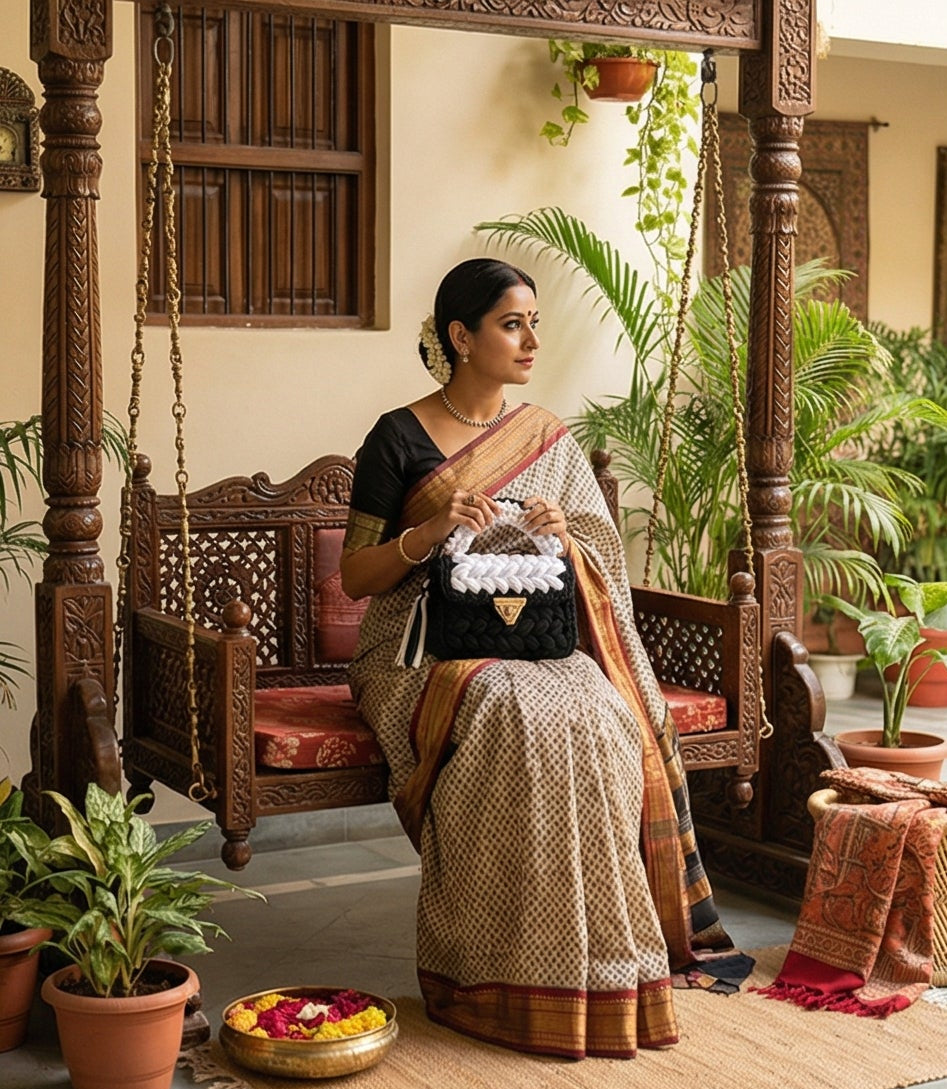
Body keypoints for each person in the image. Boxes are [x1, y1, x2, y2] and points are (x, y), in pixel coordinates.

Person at [340, 257, 734, 1060]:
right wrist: (429, 531)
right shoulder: (398, 435)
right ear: (460, 336)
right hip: (420, 643)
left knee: (598, 711)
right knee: (508, 712)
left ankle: (602, 966)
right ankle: (492, 971)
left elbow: (595, 555)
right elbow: (356, 578)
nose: (529, 341)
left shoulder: (547, 436)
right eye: (511, 324)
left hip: (536, 636)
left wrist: (564, 530)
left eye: (533, 324)